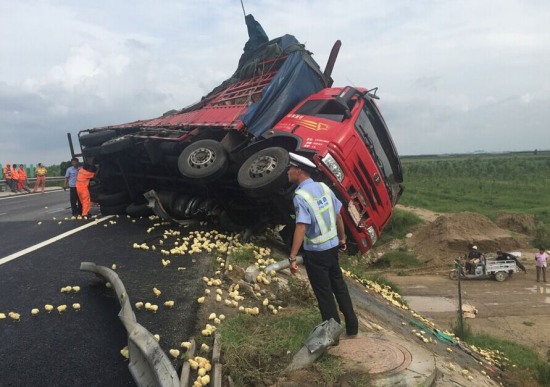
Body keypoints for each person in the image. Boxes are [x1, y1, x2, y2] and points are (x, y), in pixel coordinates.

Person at [287, 152, 358, 337]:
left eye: (291, 168)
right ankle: (352, 327)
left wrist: (292, 256)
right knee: (339, 287)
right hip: (332, 248)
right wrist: (342, 239)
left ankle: (332, 336)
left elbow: (301, 227)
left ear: (299, 171)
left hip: (317, 255)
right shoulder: (324, 188)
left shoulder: (300, 196)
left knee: (324, 294)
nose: (288, 171)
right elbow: (338, 216)